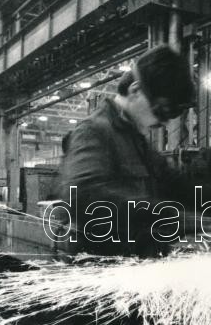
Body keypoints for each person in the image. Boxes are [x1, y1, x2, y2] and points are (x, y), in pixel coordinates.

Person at [56, 44, 196, 257]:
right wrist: (162, 213)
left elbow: (173, 183)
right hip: (103, 268)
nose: (164, 122)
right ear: (135, 90)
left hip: (138, 264)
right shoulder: (94, 131)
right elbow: (83, 195)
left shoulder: (136, 140)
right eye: (160, 111)